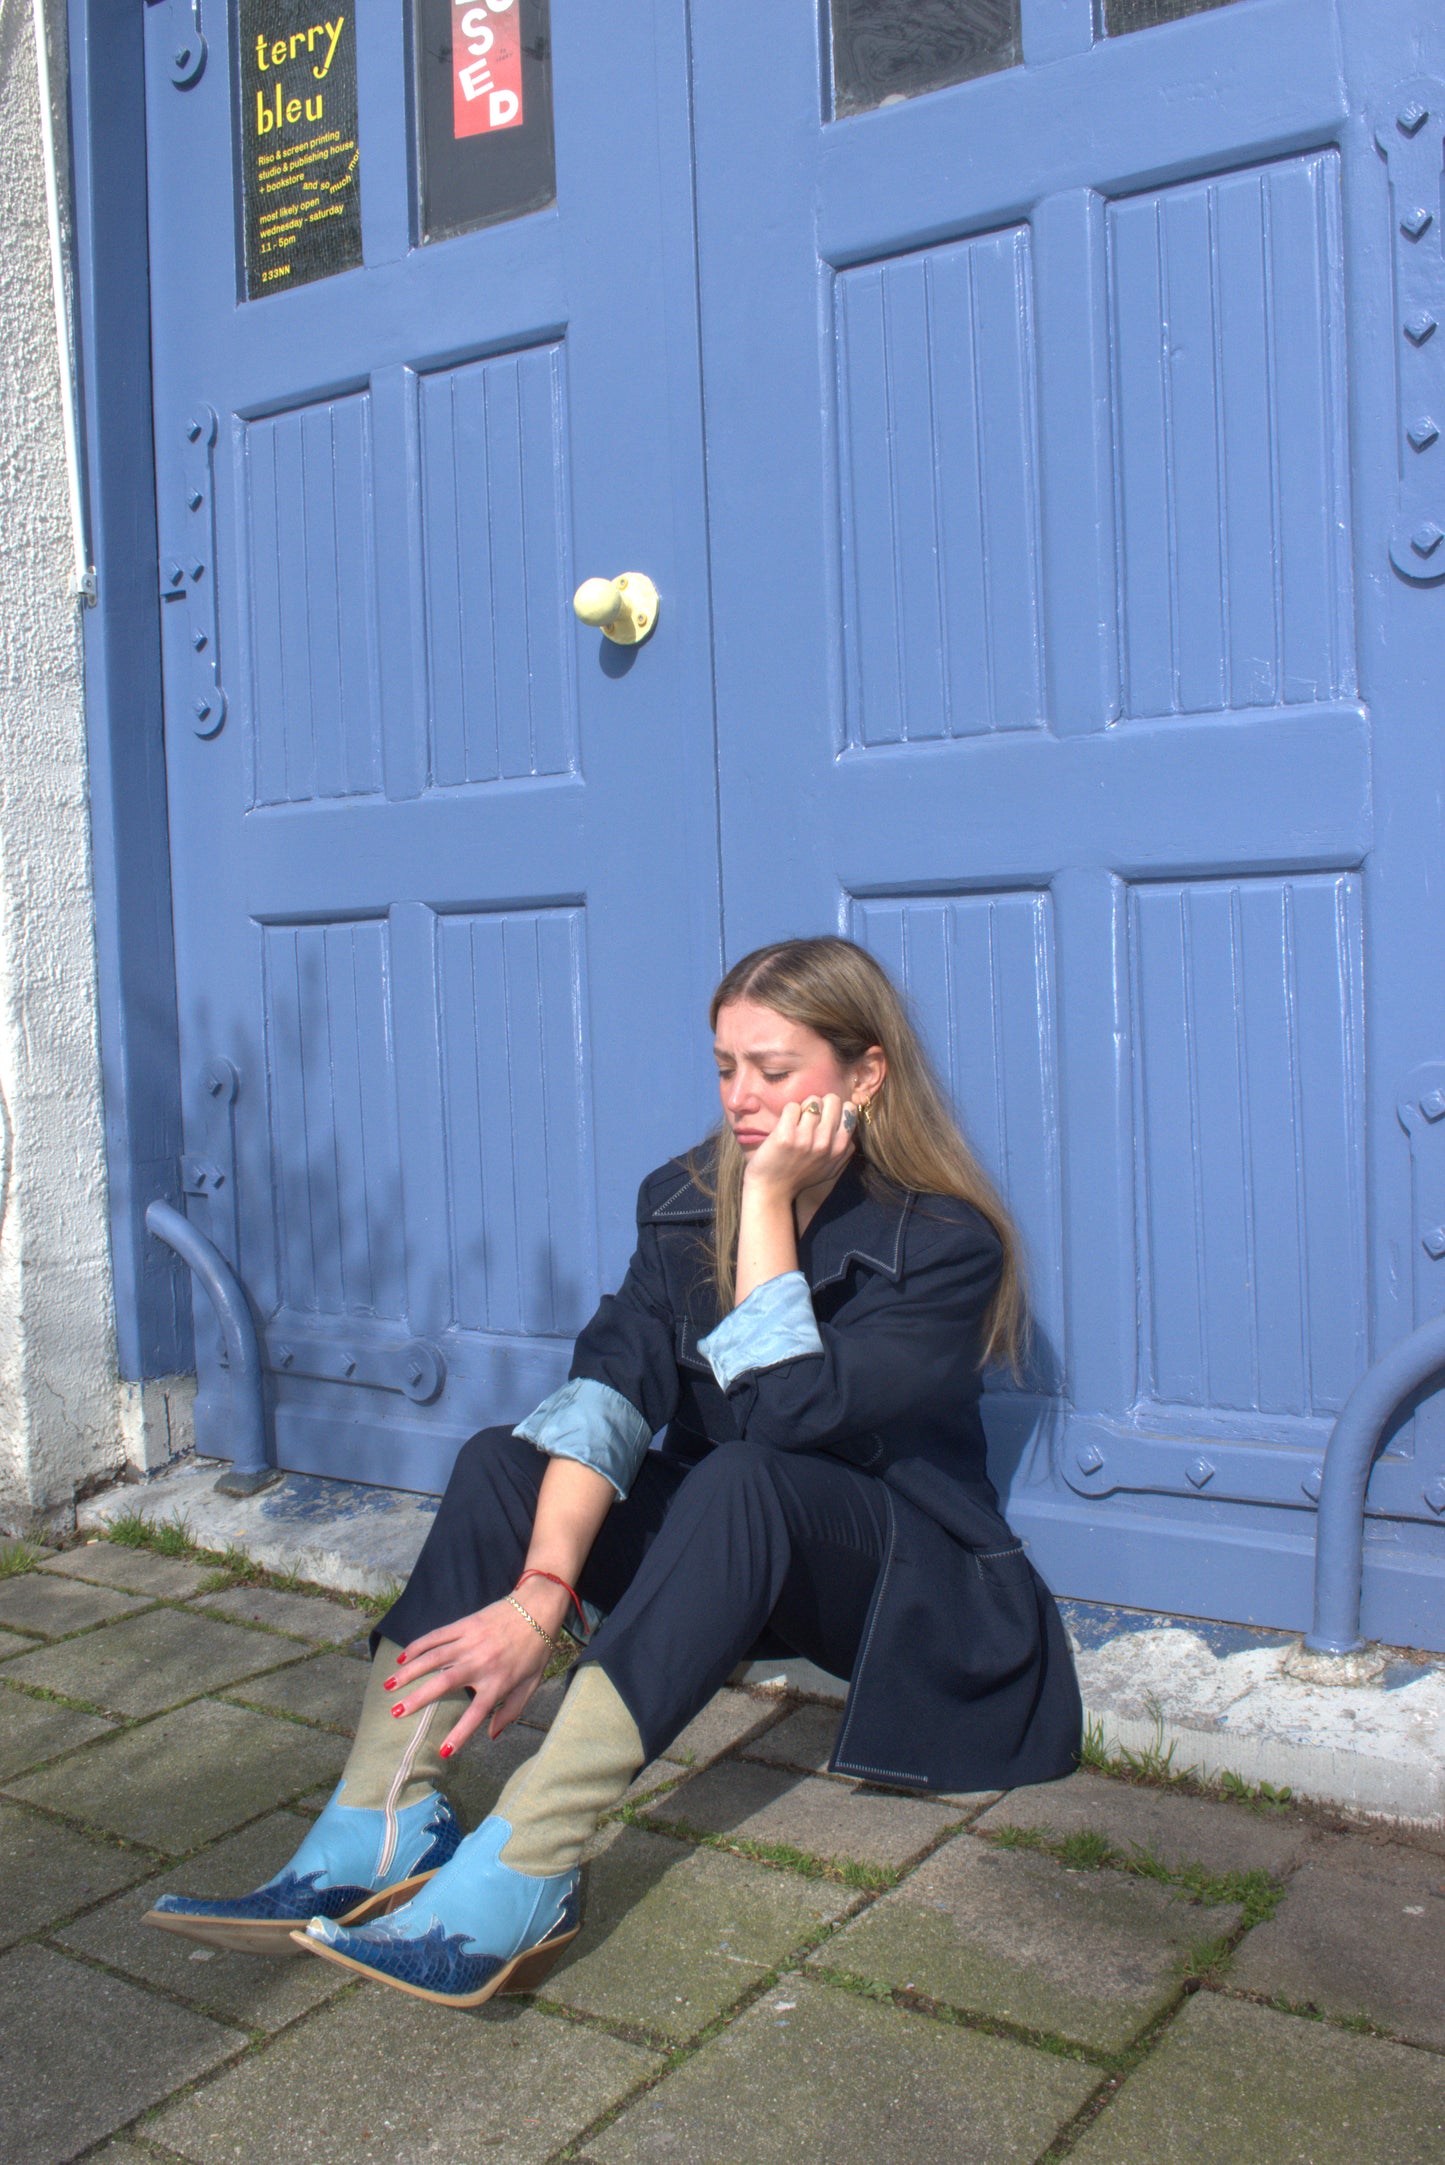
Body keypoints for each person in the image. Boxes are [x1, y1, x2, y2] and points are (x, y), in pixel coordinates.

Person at [145, 937, 1081, 2007]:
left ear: (863, 1075)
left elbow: (784, 1418)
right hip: (741, 1560)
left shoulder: (944, 1240)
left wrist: (768, 1201)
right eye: (725, 1066)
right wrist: (544, 1593)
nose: (740, 1098)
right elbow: (609, 1386)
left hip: (903, 1584)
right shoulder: (681, 1203)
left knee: (741, 1473)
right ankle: (382, 1814)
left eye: (773, 1071)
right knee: (505, 1458)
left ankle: (530, 1859)